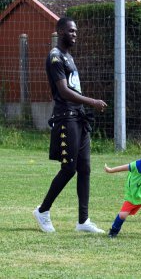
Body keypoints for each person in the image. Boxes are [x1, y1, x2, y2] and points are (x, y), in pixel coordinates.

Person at [33, 17, 107, 233]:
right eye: (71, 31)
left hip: (79, 117)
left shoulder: (69, 57)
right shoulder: (55, 57)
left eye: (76, 31)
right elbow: (64, 91)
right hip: (66, 117)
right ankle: (42, 211)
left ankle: (83, 221)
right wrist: (92, 102)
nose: (75, 34)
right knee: (69, 168)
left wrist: (85, 108)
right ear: (60, 32)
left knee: (85, 168)